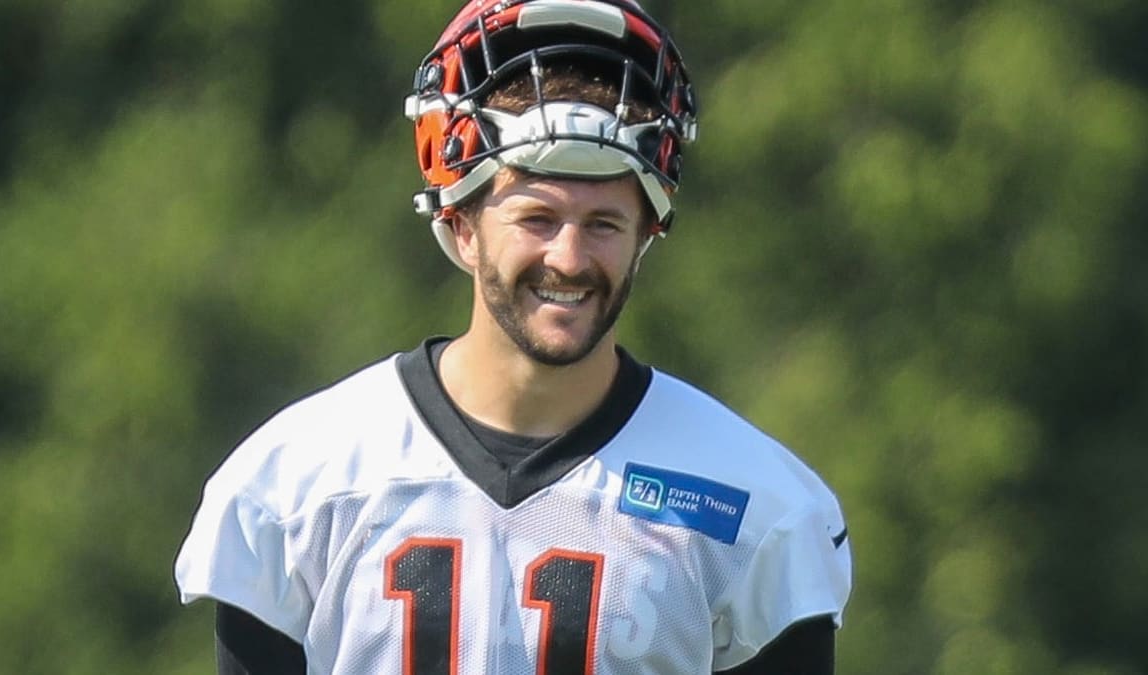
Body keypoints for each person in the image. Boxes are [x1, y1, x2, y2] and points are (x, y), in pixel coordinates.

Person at [174, 1, 852, 673]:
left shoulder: (752, 505)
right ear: (462, 223)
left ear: (648, 234)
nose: (569, 257)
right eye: (537, 217)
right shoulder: (302, 483)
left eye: (604, 224)